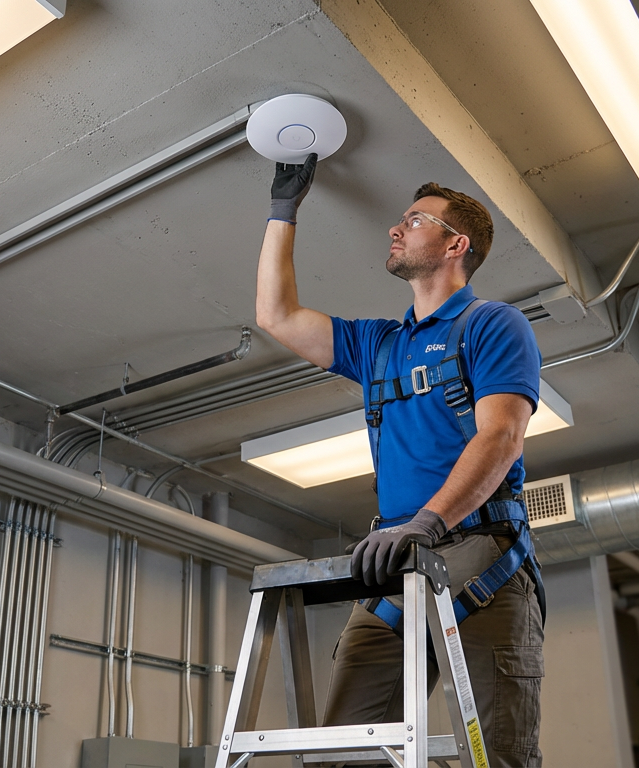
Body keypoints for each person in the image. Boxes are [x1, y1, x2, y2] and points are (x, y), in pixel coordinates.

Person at [254, 154, 545, 767]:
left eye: (414, 220)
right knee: (343, 753)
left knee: (496, 756)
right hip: (396, 559)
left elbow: (500, 437)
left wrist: (428, 523)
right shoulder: (378, 345)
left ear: (456, 244)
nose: (395, 227)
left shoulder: (493, 325)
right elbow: (276, 316)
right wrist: (284, 210)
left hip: (479, 552)